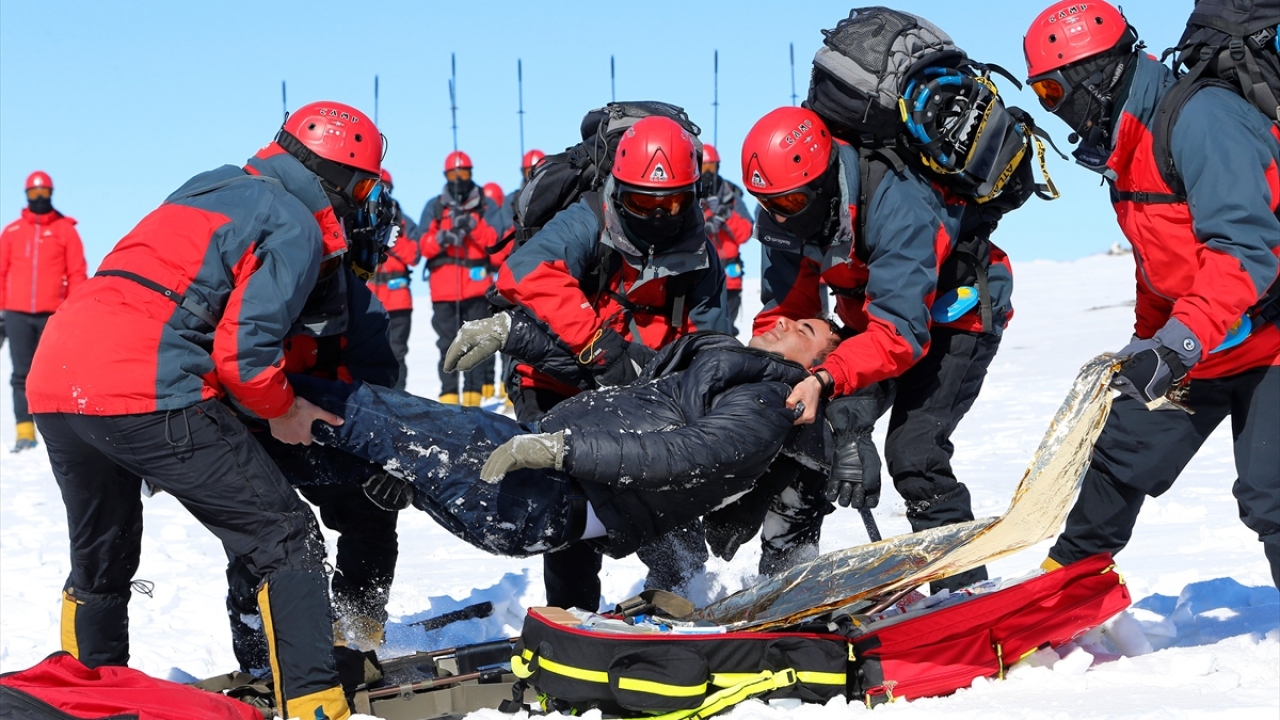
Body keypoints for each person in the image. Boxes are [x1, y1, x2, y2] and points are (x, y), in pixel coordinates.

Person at [24, 100, 384, 720]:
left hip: (57, 377)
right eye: (361, 187)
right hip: (146, 383)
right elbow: (245, 355)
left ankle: (85, 695)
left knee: (102, 558)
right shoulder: (296, 222)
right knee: (285, 538)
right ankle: (315, 705)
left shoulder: (209, 185)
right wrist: (282, 410)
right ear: (343, 181)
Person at [1022, 0, 1279, 587]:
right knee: (1123, 452)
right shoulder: (1127, 143)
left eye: (1054, 94)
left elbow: (1244, 248)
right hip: (1206, 339)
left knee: (1272, 496)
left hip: (1268, 341)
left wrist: (1175, 346)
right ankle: (1064, 587)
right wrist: (1148, 342)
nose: (1054, 112)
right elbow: (1158, 263)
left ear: (1094, 74)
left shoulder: (1202, 120)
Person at [296, 315, 838, 564]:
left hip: (551, 490)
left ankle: (238, 395)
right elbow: (621, 378)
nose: (786, 321)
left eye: (806, 331)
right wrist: (516, 335)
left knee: (359, 411)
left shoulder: (767, 401)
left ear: (815, 370)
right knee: (348, 450)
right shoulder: (719, 372)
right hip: (536, 486)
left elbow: (691, 457)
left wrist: (563, 450)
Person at [741, 106, 1014, 591]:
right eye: (770, 203)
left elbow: (900, 335)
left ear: (823, 178)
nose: (781, 213)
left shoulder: (897, 203)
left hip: (957, 315)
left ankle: (962, 592)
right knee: (807, 436)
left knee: (915, 453)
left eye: (792, 200)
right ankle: (785, 584)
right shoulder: (786, 215)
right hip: (874, 321)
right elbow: (788, 312)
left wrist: (828, 381)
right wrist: (774, 386)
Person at [489, 115, 730, 609]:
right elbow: (521, 274)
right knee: (573, 505)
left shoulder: (702, 255)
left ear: (693, 192)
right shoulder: (588, 217)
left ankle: (684, 599)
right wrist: (598, 346)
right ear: (619, 189)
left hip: (643, 386)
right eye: (644, 201)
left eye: (673, 201)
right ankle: (572, 618)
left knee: (665, 492)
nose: (659, 214)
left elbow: (710, 344)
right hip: (554, 377)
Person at [226, 200, 404, 674]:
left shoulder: (364, 311)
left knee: (373, 514)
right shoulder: (254, 281)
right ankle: (259, 650)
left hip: (324, 431)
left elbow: (377, 394)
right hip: (253, 429)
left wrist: (388, 459)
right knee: (264, 539)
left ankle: (358, 629)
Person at [0, 171, 86, 451]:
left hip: (54, 316)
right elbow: (1, 274)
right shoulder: (12, 232)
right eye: (34, 194)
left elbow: (77, 274)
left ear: (52, 193)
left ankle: (62, 432)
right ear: (26, 196)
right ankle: (25, 432)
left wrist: (72, 314)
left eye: (44, 192)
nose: (39, 198)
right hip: (16, 314)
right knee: (21, 374)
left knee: (56, 373)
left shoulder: (66, 231)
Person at [419, 151, 501, 406]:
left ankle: (474, 396)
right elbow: (423, 246)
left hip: (477, 287)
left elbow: (495, 243)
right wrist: (443, 237)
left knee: (477, 341)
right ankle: (449, 394)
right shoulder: (435, 207)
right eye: (454, 174)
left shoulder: (486, 206)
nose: (459, 179)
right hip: (444, 290)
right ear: (446, 176)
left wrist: (472, 227)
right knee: (447, 343)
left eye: (464, 173)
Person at [367, 168, 421, 391]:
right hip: (369, 300)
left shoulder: (404, 222)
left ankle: (397, 402)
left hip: (398, 301)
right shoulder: (359, 218)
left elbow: (415, 255)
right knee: (368, 354)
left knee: (397, 353)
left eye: (385, 187)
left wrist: (392, 236)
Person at [699, 144, 755, 336]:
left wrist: (726, 216)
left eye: (711, 167)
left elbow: (746, 232)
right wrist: (704, 216)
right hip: (701, 275)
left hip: (730, 275)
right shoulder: (690, 196)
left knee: (727, 331)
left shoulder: (732, 198)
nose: (707, 173)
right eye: (703, 167)